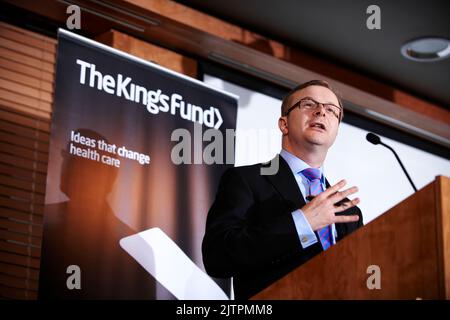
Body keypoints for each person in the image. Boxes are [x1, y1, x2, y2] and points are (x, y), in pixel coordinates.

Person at [202, 80, 364, 300]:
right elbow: (217, 257)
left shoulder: (347, 211)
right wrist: (302, 223)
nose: (320, 112)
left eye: (331, 110)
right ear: (284, 124)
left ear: (336, 132)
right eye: (308, 104)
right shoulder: (247, 180)